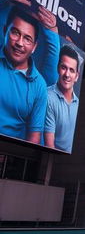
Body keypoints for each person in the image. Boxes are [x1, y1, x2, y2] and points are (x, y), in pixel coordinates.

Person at [0, 8, 48, 144]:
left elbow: (34, 137)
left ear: (34, 47)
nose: (20, 43)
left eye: (27, 39)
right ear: (5, 31)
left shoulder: (39, 85)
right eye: (15, 33)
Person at [43, 44, 80, 152]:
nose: (67, 74)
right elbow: (49, 146)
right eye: (64, 67)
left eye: (72, 70)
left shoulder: (78, 103)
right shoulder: (48, 96)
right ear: (58, 68)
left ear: (77, 76)